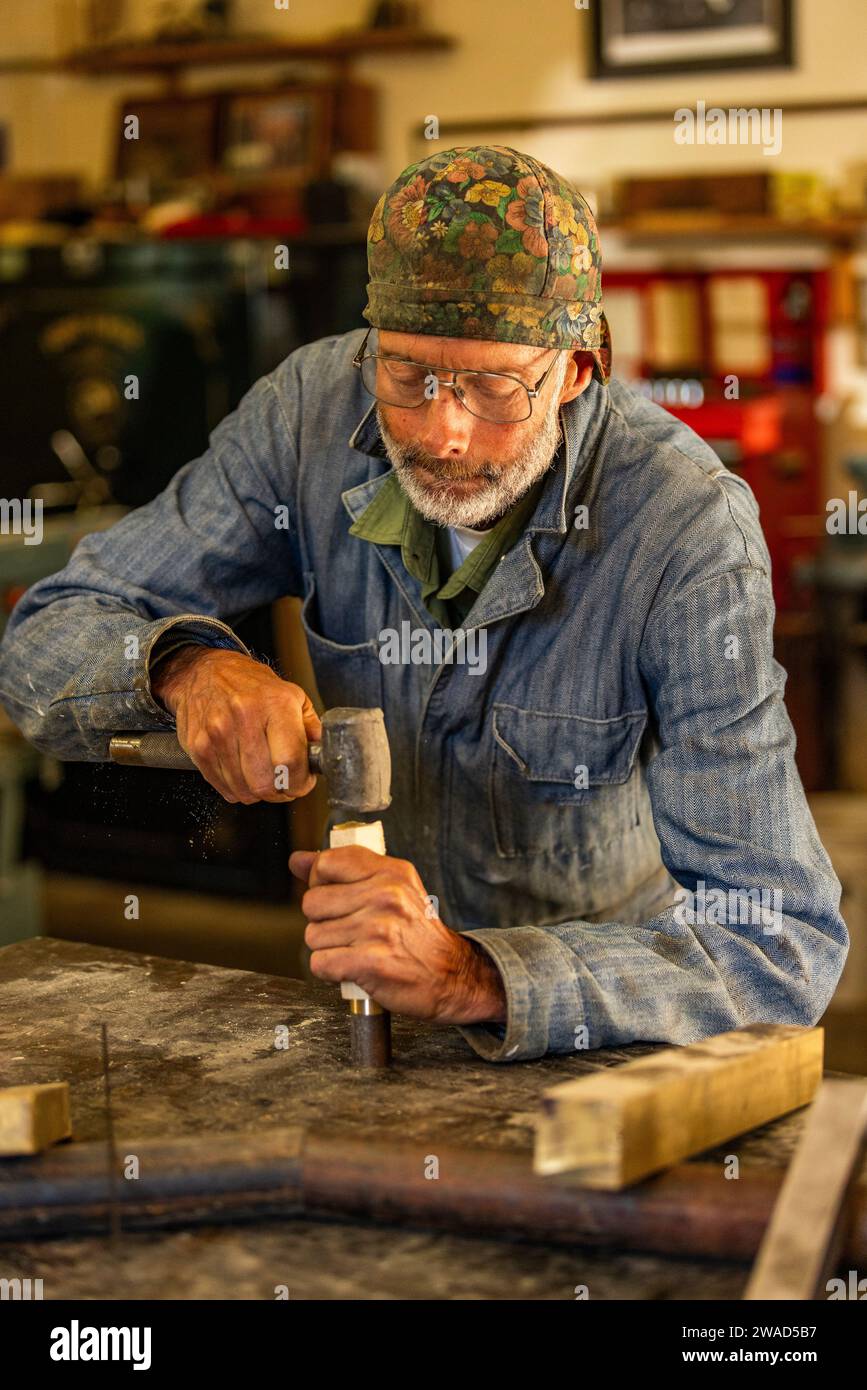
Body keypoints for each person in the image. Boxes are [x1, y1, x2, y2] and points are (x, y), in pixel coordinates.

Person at [0, 145, 847, 1061]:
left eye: (492, 385)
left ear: (574, 370)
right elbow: (42, 639)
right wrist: (184, 667)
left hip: (600, 1031)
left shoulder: (681, 528)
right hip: (370, 1010)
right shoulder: (305, 420)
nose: (442, 431)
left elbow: (780, 942)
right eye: (407, 376)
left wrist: (473, 974)